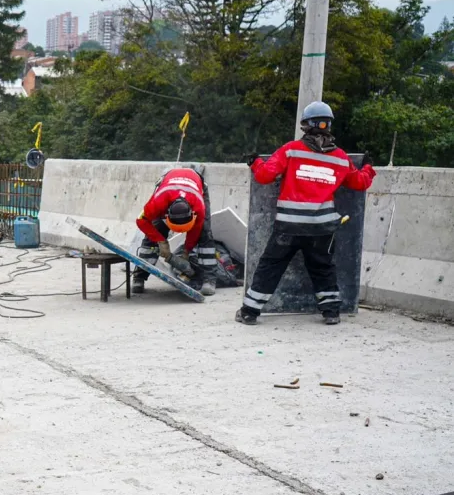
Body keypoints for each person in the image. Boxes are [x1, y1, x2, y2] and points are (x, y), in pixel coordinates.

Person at [237, 101, 376, 326]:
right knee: (323, 268)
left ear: (305, 125)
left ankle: (249, 312)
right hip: (321, 229)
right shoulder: (340, 157)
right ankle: (331, 313)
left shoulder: (291, 150)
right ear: (328, 125)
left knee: (271, 266)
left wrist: (255, 162)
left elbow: (265, 176)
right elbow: (360, 183)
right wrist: (368, 167)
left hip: (289, 227)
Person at [133, 165, 218, 296]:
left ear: (193, 215)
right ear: (166, 214)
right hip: (166, 185)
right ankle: (139, 276)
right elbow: (141, 220)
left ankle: (209, 280)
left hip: (196, 185)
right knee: (156, 229)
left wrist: (186, 251)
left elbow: (196, 230)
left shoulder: (198, 206)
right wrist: (160, 240)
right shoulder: (158, 202)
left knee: (204, 233)